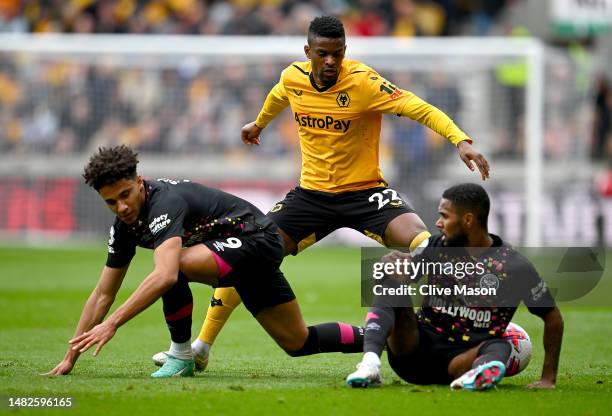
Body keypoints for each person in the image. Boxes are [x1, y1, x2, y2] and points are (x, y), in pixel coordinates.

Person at [154, 15, 491, 370]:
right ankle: (201, 348)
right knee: (251, 256)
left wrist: (460, 140)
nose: (331, 61)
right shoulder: (293, 77)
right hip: (311, 197)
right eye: (323, 54)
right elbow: (279, 95)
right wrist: (259, 123)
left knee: (425, 244)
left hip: (365, 193)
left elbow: (417, 107)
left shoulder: (364, 82)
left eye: (338, 54)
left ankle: (469, 326)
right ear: (308, 52)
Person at [45, 145, 364, 378]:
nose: (121, 206)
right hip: (239, 257)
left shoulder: (163, 203)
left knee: (173, 266)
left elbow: (167, 276)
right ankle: (385, 335)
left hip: (258, 240)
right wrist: (71, 355)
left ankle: (181, 355)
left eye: (126, 194)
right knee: (298, 341)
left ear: (139, 181)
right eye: (111, 202)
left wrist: (112, 323)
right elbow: (102, 294)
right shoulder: (124, 227)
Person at [346, 183, 564, 390]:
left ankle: (479, 373)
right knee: (390, 285)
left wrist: (548, 377)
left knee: (502, 346)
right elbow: (404, 274)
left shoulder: (515, 266)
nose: (438, 223)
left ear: (468, 220)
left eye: (444, 215)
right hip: (413, 353)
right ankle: (370, 363)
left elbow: (552, 317)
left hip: (458, 365)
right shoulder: (437, 246)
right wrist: (392, 265)